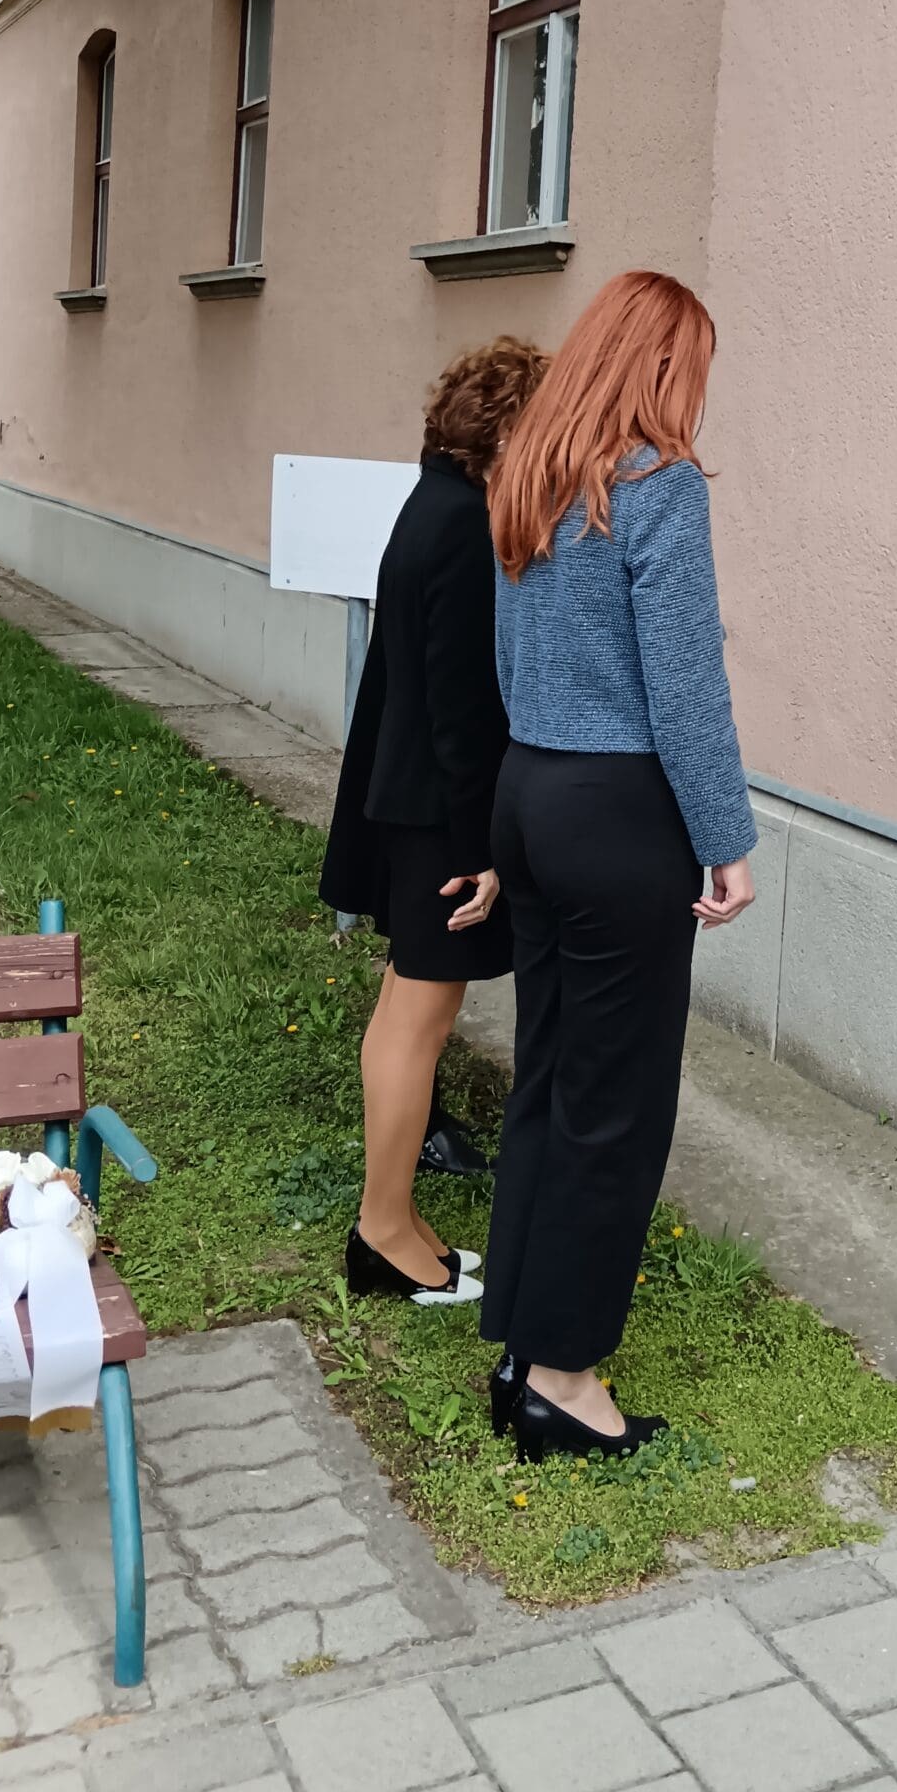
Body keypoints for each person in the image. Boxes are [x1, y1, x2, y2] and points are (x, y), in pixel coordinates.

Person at [480, 271, 755, 1462]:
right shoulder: (658, 485)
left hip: (530, 789)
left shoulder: (531, 476)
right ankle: (562, 1376)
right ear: (662, 366)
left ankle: (519, 1338)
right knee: (617, 1104)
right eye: (695, 369)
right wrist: (725, 838)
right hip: (616, 812)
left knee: (549, 1075)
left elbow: (505, 657)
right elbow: (685, 683)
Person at [319, 334, 547, 1308]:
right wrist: (481, 849)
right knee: (416, 1020)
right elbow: (460, 710)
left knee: (407, 1015)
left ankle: (396, 1220)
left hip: (410, 805)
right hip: (435, 820)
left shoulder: (433, 503)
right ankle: (381, 1231)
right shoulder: (458, 524)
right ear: (508, 431)